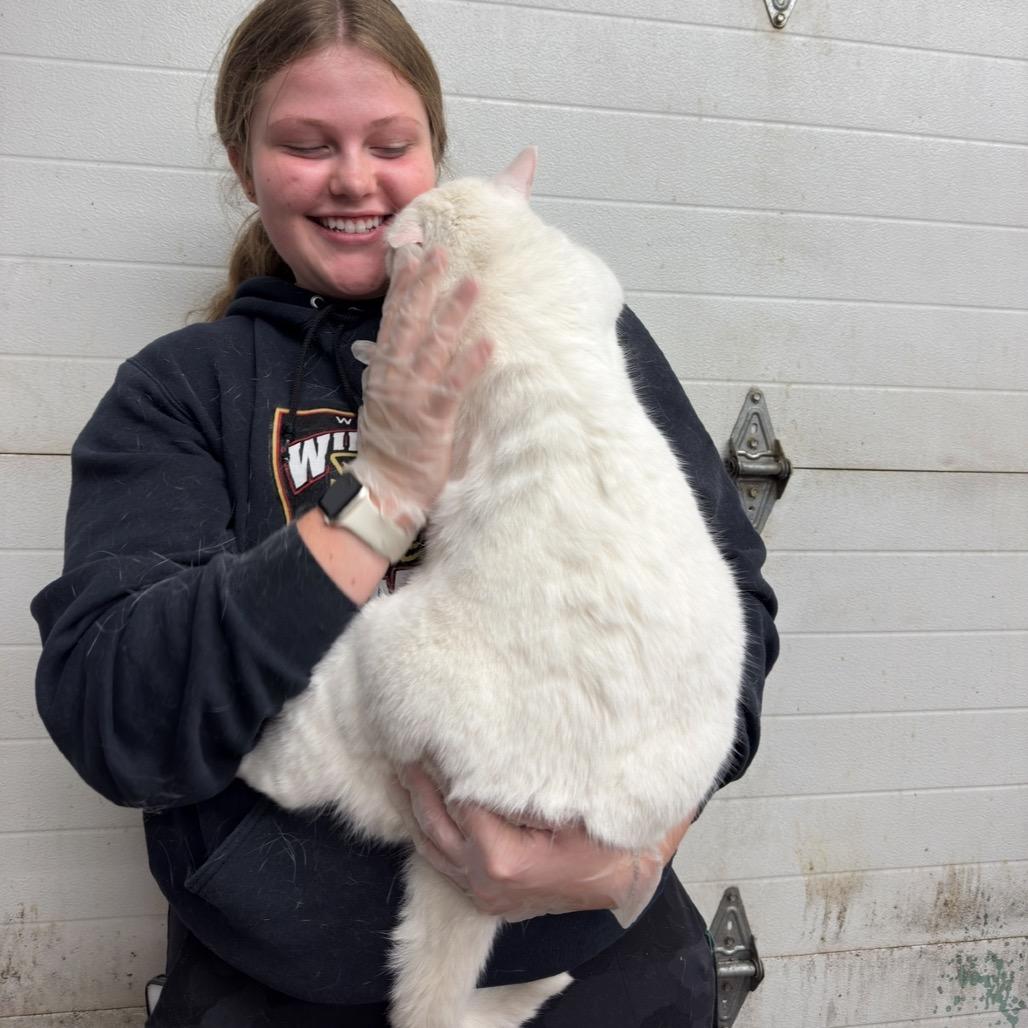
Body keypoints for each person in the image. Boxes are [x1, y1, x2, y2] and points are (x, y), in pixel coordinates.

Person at [31, 1, 778, 1025]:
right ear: (245, 165)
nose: (354, 179)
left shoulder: (556, 316)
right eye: (307, 145)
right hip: (285, 992)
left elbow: (729, 604)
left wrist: (637, 851)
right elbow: (115, 712)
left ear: (433, 155)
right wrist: (379, 495)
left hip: (604, 984)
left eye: (390, 144)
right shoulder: (184, 391)